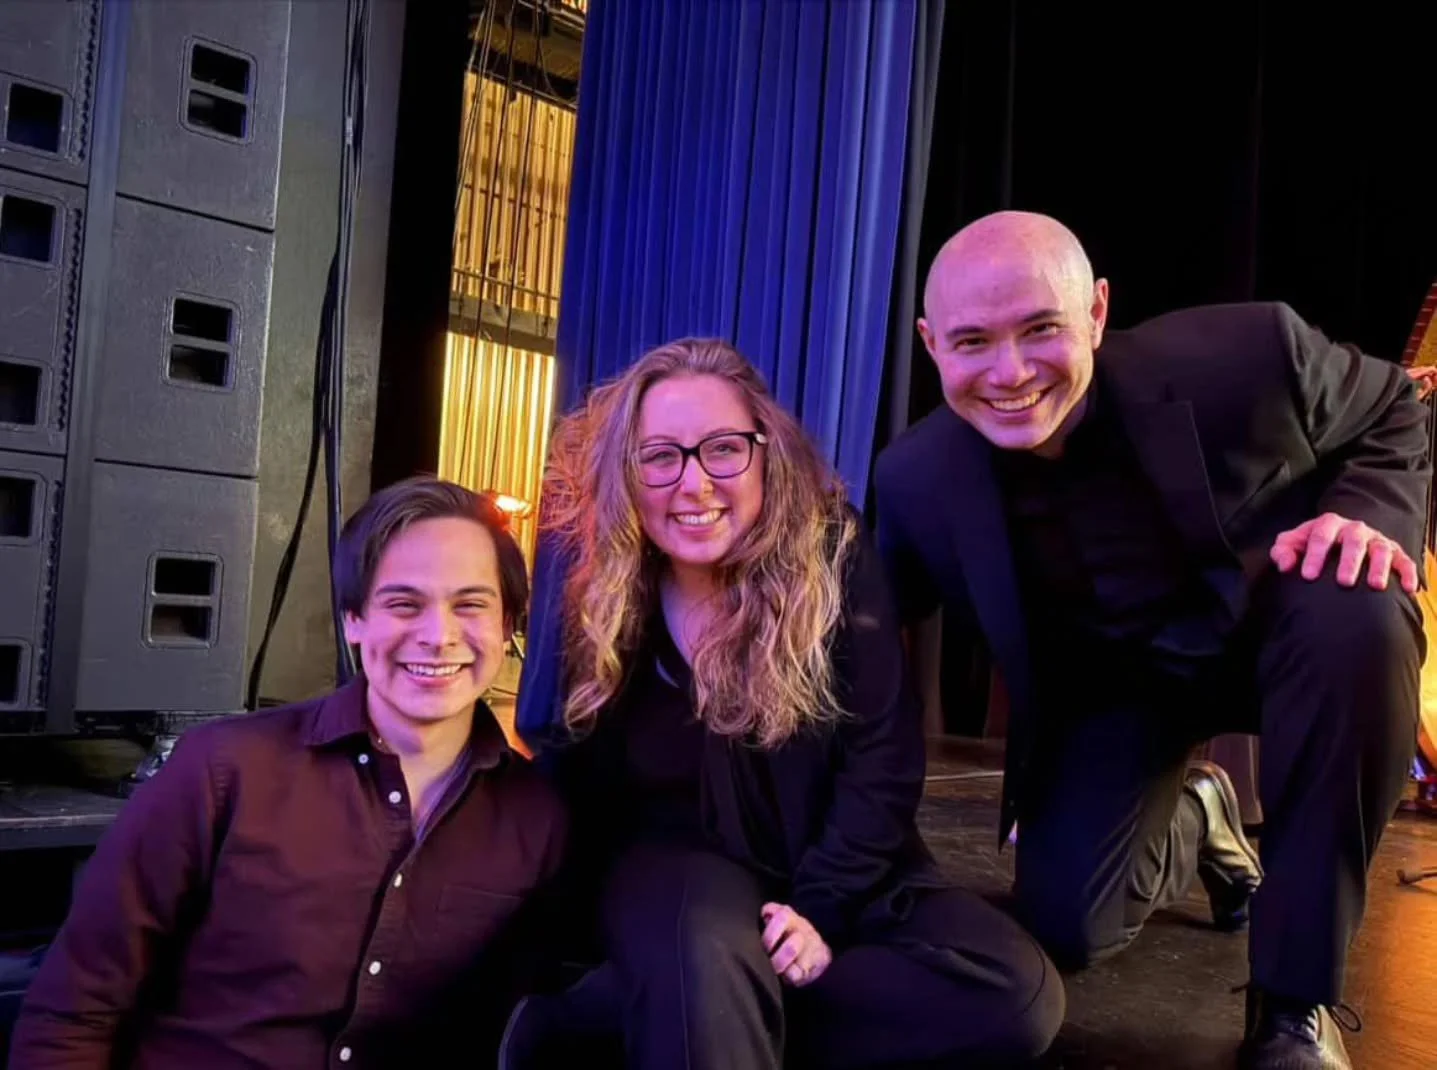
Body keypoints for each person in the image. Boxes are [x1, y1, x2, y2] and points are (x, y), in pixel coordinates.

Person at [873, 210, 1429, 1070]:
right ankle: (1199, 814)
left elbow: (1393, 405)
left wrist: (1362, 517)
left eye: (1041, 329)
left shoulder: (1247, 354)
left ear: (1096, 312)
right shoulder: (915, 480)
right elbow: (858, 640)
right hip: (1115, 692)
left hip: (1286, 638)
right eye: (972, 341)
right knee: (1066, 931)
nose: (1009, 372)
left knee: (1358, 605)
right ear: (930, 344)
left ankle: (1292, 1008)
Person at [503, 338, 1065, 1070]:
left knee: (1017, 997)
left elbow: (881, 755)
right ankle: (688, 994)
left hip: (825, 861)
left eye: (723, 449)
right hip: (679, 872)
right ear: (627, 475)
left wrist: (820, 909)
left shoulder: (832, 555)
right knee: (702, 956)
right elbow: (569, 759)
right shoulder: (606, 588)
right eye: (660, 456)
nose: (694, 483)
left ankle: (619, 1014)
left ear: (766, 451)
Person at [9, 478, 567, 1069]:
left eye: (470, 604)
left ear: (508, 627)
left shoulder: (538, 820)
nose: (438, 635)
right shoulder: (223, 771)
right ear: (354, 619)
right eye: (404, 604)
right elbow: (76, 1009)